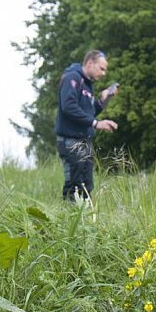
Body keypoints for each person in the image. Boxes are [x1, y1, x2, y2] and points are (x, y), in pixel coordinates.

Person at [55, 50, 119, 202]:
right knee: (74, 185)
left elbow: (87, 114)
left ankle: (85, 222)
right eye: (101, 68)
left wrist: (102, 101)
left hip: (85, 141)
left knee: (87, 185)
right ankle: (69, 222)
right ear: (90, 63)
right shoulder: (72, 77)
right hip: (70, 141)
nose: (104, 73)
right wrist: (96, 124)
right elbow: (68, 107)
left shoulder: (88, 85)